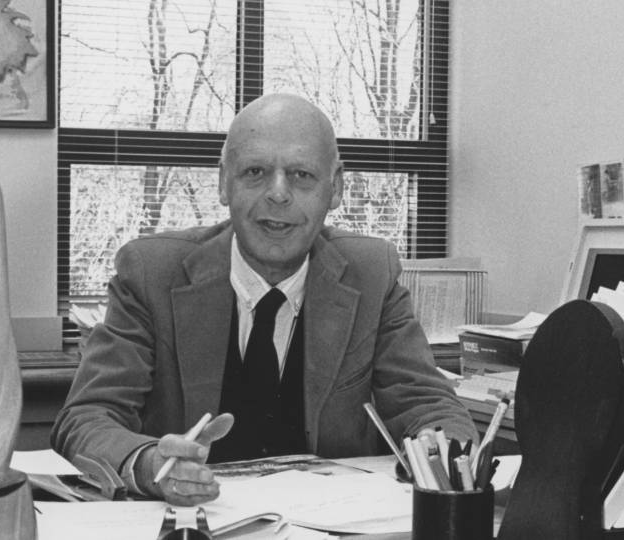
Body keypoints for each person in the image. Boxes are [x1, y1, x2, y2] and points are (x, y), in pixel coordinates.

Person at [51, 93, 478, 506]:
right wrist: (149, 464)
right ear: (223, 182)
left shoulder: (371, 274)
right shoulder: (152, 274)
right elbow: (87, 418)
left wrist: (438, 446)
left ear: (336, 188)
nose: (278, 193)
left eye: (301, 175)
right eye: (255, 172)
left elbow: (428, 404)